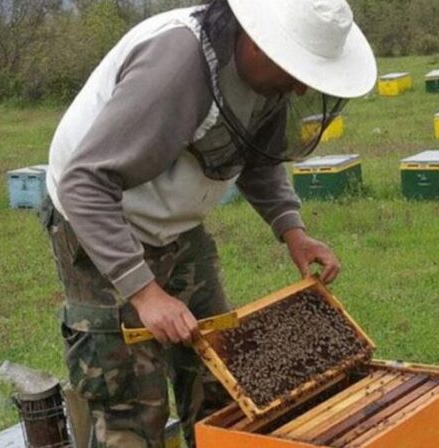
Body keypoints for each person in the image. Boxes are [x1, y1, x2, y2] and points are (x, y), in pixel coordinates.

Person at [40, 0, 377, 446]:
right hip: (98, 219)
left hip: (176, 227)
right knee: (129, 403)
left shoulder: (264, 78)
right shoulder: (176, 67)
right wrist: (145, 291)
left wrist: (292, 231)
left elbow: (259, 156)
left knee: (218, 373)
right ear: (258, 42)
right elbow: (84, 184)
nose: (298, 90)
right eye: (297, 71)